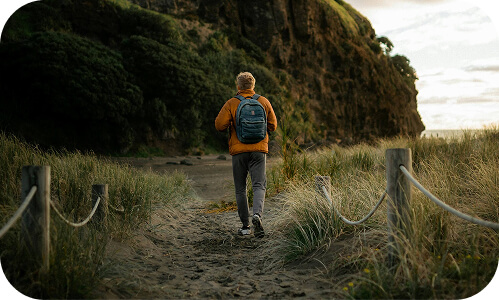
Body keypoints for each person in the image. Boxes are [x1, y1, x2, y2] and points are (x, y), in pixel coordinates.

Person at [215, 72, 278, 238]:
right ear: (253, 86)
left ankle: (245, 226)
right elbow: (273, 126)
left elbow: (219, 125)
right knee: (259, 185)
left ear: (238, 86)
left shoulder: (232, 103)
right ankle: (258, 215)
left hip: (239, 151)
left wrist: (233, 123)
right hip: (259, 150)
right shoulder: (263, 101)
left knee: (240, 189)